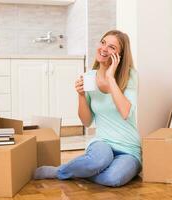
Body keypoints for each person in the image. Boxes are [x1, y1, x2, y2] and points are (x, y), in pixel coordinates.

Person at [34, 30, 141, 187]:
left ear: (120, 55)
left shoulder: (129, 76)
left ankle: (74, 172)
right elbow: (87, 121)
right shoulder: (89, 77)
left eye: (111, 47)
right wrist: (81, 95)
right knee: (99, 160)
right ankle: (64, 171)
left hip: (129, 149)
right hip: (103, 142)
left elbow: (125, 112)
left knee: (113, 179)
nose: (104, 48)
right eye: (103, 43)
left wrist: (111, 77)